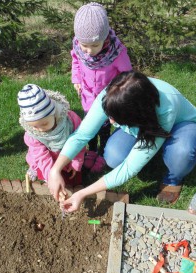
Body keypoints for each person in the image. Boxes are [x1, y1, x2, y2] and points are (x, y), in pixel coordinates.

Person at [48, 71, 196, 212]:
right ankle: (151, 152)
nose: (111, 121)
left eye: (115, 117)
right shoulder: (113, 94)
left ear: (134, 116)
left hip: (182, 125)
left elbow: (128, 169)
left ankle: (173, 179)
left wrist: (82, 193)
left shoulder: (166, 108)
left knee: (182, 152)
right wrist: (55, 170)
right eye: (109, 115)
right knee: (114, 156)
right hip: (141, 124)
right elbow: (82, 135)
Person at [71, 2, 132, 172]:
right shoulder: (78, 47)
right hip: (88, 97)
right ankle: (92, 150)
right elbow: (75, 61)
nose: (89, 51)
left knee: (104, 126)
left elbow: (127, 75)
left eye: (94, 46)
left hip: (108, 97)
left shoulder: (116, 52)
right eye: (85, 46)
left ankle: (104, 151)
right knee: (90, 125)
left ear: (105, 39)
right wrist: (76, 79)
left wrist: (118, 92)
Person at [17, 84, 86, 186]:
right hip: (46, 160)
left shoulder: (70, 121)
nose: (40, 129)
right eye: (35, 127)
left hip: (68, 157)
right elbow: (41, 156)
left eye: (44, 124)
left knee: (74, 181)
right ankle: (35, 169)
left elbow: (79, 142)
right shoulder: (32, 135)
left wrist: (75, 162)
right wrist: (51, 177)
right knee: (47, 175)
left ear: (53, 113)